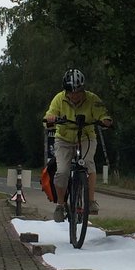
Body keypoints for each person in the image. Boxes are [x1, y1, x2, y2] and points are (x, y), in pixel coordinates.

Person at [43, 68, 113, 221]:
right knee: (61, 172)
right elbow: (49, 114)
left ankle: (91, 201)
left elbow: (103, 114)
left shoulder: (93, 99)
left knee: (88, 163)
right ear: (65, 91)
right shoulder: (58, 99)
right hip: (64, 139)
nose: (75, 96)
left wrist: (106, 120)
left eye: (78, 92)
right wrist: (51, 119)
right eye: (71, 92)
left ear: (83, 89)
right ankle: (60, 205)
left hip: (86, 136)